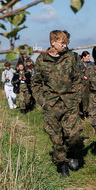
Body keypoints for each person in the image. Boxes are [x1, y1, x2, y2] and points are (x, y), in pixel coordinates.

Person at [32, 29, 84, 177]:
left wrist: (76, 98)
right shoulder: (41, 60)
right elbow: (36, 84)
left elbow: (78, 79)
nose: (65, 46)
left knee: (74, 135)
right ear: (53, 42)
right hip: (51, 104)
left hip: (69, 103)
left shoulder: (70, 57)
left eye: (66, 43)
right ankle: (62, 164)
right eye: (62, 43)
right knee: (56, 137)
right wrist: (42, 101)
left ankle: (71, 152)